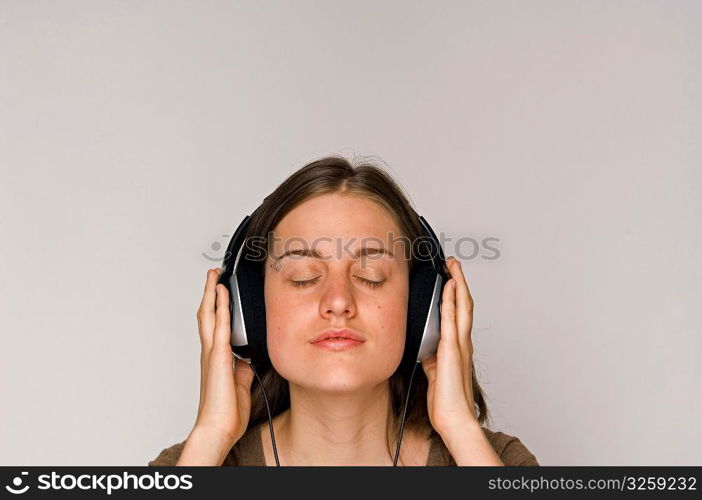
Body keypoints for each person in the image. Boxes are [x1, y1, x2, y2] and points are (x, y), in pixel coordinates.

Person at [148, 155, 539, 466]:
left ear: (426, 308)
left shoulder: (497, 463)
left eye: (370, 275)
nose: (338, 301)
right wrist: (212, 436)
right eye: (302, 276)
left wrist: (461, 431)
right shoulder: (189, 467)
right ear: (247, 309)